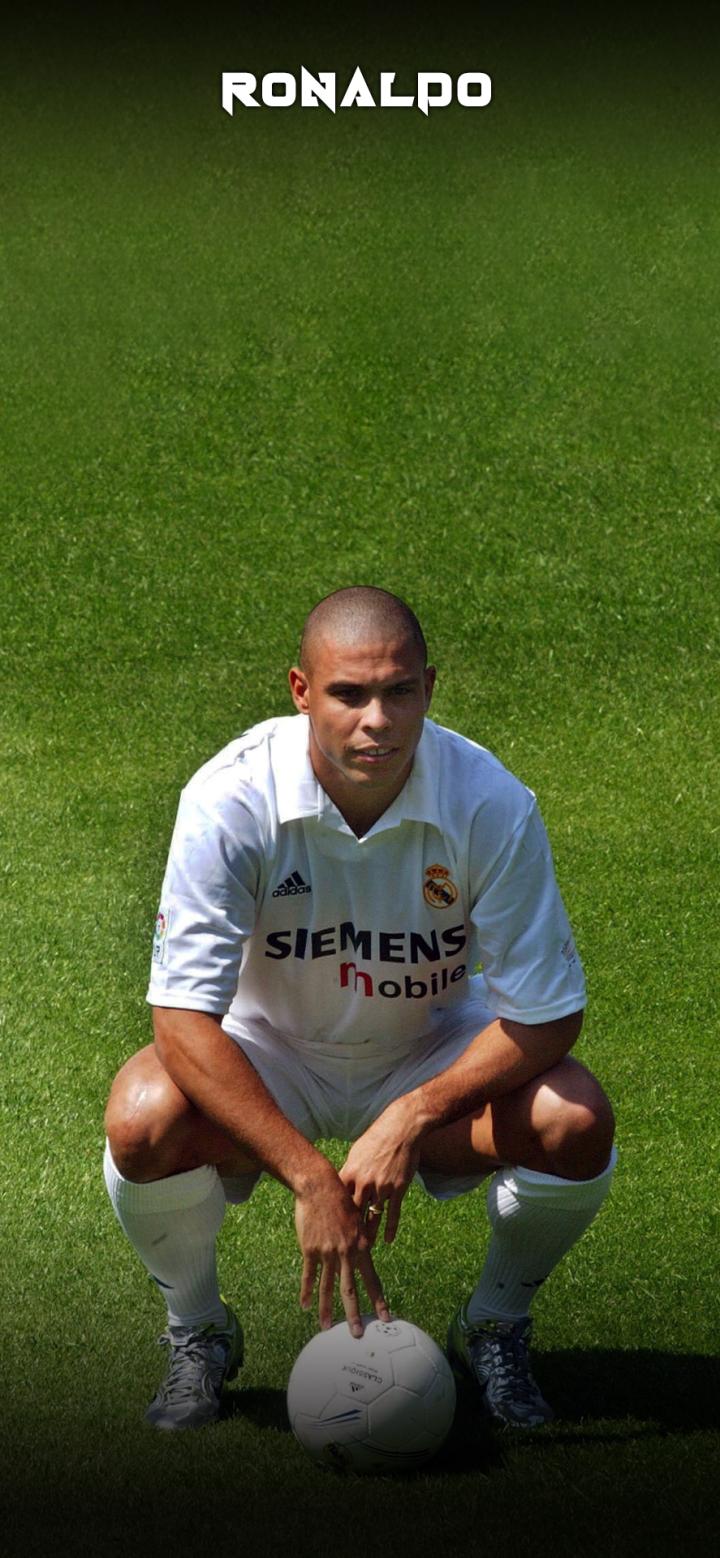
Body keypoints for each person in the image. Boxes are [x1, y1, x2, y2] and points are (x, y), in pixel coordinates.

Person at [104, 586, 616, 1432]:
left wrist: (413, 1115)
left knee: (575, 1119)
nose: (377, 721)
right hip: (272, 1050)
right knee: (142, 1116)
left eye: (399, 692)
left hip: (427, 1049)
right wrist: (311, 1178)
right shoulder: (231, 798)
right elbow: (183, 1022)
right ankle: (198, 1330)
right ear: (301, 691)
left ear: (429, 688)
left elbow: (549, 1016)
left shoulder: (490, 803)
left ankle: (495, 1323)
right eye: (349, 694)